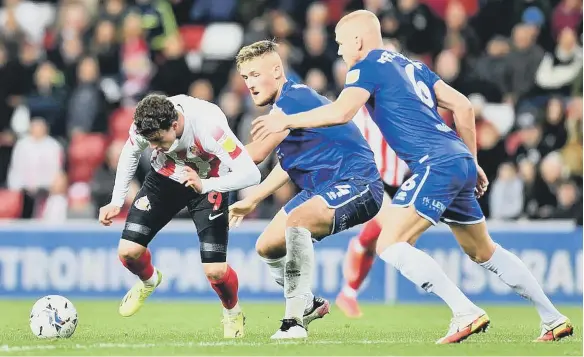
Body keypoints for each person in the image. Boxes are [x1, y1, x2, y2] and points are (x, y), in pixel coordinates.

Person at [251, 10, 573, 344]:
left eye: (341, 43)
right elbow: (462, 107)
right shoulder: (413, 66)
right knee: (483, 251)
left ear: (358, 41)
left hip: (433, 163)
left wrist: (286, 121)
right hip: (457, 159)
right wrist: (471, 161)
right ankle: (552, 318)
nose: (339, 52)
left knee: (389, 243)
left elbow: (340, 112)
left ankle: (465, 311)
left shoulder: (365, 66)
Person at [229, 40, 384, 339]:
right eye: (245, 77)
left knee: (297, 222)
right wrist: (255, 198)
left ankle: (293, 322)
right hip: (322, 187)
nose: (249, 83)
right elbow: (287, 164)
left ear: (276, 70)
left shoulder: (294, 97)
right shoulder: (285, 109)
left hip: (358, 182)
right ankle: (309, 302)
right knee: (268, 245)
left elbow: (258, 153)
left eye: (254, 74)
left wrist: (206, 156)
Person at [98, 93, 261, 338]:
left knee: (215, 271)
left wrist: (205, 186)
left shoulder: (210, 128)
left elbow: (251, 174)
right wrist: (116, 200)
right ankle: (149, 281)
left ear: (174, 125)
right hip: (165, 177)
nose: (152, 146)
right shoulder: (146, 122)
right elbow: (130, 152)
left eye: (157, 140)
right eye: (149, 140)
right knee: (128, 252)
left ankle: (232, 312)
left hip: (210, 182)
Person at [336, 106, 408, 318]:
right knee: (394, 230)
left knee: (377, 241)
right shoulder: (358, 108)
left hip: (399, 178)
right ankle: (359, 244)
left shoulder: (400, 106)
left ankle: (349, 292)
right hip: (372, 177)